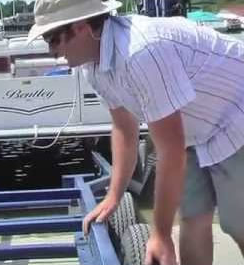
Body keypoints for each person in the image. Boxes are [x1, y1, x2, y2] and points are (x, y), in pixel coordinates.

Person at [26, 0, 244, 264]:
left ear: (82, 27)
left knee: (238, 223)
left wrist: (161, 234)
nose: (51, 51)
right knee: (193, 215)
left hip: (235, 116)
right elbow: (124, 128)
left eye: (52, 38)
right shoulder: (92, 67)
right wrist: (114, 195)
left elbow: (170, 151)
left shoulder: (140, 52)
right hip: (195, 130)